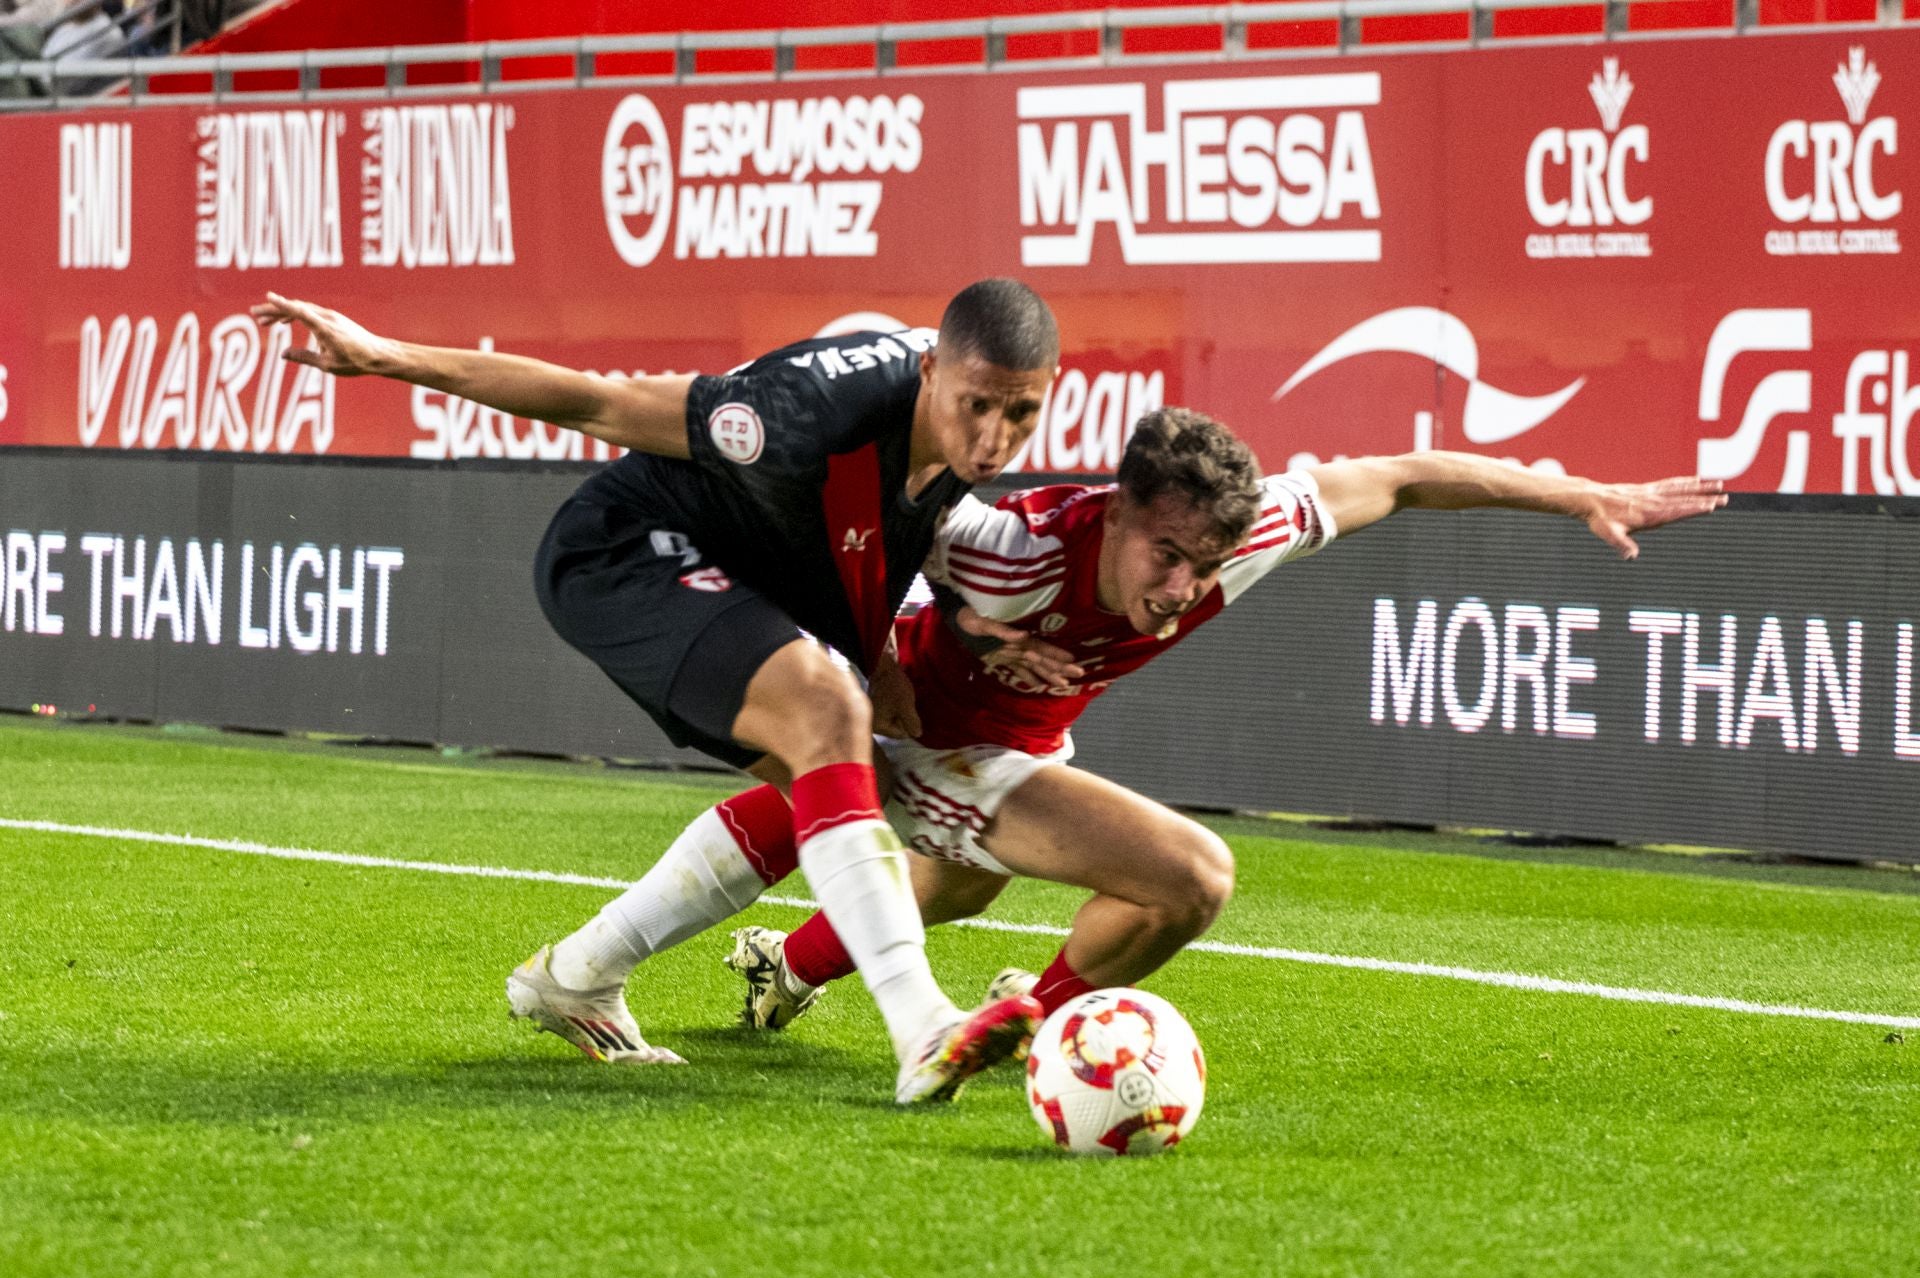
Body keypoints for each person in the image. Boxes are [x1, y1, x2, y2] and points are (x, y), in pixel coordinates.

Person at [249, 281, 1059, 1104]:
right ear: (928, 371)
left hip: (739, 579)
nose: (994, 438)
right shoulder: (801, 410)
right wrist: (385, 357)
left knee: (863, 782)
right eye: (977, 406)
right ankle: (922, 1025)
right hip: (621, 552)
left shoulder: (947, 442)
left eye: (1021, 413)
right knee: (828, 713)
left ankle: (580, 973)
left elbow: (863, 540)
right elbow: (600, 401)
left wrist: (884, 661)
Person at [710, 408, 1727, 1026]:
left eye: (1207, 563)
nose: (1182, 587)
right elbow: (857, 535)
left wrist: (1583, 494)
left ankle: (791, 967)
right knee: (870, 812)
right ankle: (598, 966)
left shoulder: (1246, 537)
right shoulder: (1008, 542)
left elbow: (1403, 477)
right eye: (1166, 557)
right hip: (916, 710)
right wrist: (898, 657)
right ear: (1119, 514)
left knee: (968, 887)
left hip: (1021, 736)